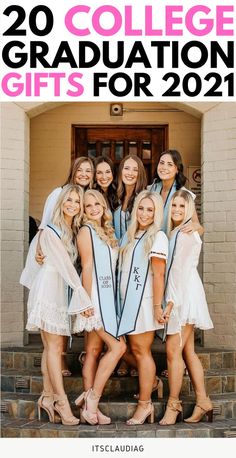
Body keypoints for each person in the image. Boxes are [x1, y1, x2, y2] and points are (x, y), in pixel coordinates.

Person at [20, 185, 93, 426]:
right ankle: (61, 402)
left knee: (53, 347)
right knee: (53, 347)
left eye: (76, 201)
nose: (72, 204)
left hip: (59, 290)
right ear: (61, 202)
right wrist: (83, 295)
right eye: (68, 200)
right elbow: (65, 267)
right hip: (50, 289)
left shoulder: (70, 229)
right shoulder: (50, 230)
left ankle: (48, 397)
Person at [69, 189, 126, 425]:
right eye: (88, 205)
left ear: (103, 206)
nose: (93, 209)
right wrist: (86, 301)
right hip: (94, 299)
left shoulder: (105, 231)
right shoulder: (85, 231)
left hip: (107, 296)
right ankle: (92, 399)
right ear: (83, 209)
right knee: (118, 348)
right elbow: (88, 267)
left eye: (97, 204)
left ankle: (89, 410)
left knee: (93, 351)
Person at [159, 190, 214, 426]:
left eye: (182, 206)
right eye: (174, 206)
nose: (177, 210)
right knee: (187, 351)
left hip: (182, 296)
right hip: (184, 293)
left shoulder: (184, 234)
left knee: (173, 351)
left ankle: (173, 404)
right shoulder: (178, 232)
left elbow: (179, 274)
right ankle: (203, 401)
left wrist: (170, 304)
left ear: (190, 209)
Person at [36, 156, 94, 376]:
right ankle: (58, 361)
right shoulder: (58, 194)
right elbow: (45, 225)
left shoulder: (86, 198)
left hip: (71, 260)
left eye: (89, 171)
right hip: (53, 261)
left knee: (61, 315)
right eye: (80, 170)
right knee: (53, 319)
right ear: (73, 171)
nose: (84, 175)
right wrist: (39, 250)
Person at [148, 149, 204, 378]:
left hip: (174, 260)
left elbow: (198, 226)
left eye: (169, 164)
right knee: (183, 346)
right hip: (155, 254)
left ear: (177, 168)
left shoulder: (183, 194)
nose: (164, 167)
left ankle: (173, 377)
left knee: (176, 341)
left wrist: (194, 229)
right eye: (161, 163)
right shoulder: (151, 189)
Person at [117, 190, 168, 425]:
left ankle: (145, 405)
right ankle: (153, 382)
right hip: (126, 303)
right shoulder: (132, 235)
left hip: (144, 302)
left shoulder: (157, 237)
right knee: (123, 349)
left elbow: (158, 275)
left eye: (150, 210)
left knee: (141, 351)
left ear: (157, 213)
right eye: (141, 208)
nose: (145, 213)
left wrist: (157, 307)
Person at [113, 154, 147, 376]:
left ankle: (131, 360)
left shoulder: (143, 198)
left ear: (140, 173)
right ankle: (123, 359)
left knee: (131, 309)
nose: (130, 173)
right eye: (126, 168)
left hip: (136, 263)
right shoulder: (117, 199)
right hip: (117, 263)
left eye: (135, 169)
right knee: (118, 307)